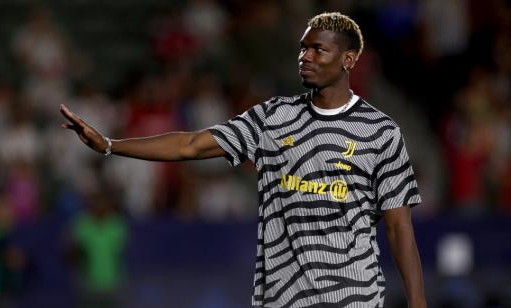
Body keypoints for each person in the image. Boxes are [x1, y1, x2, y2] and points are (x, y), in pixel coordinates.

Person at [61, 11, 426, 308]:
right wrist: (109, 144)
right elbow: (190, 144)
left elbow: (398, 227)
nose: (304, 57)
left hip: (354, 297)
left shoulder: (380, 131)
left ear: (348, 60)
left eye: (317, 49)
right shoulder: (272, 118)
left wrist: (418, 302)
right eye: (302, 48)